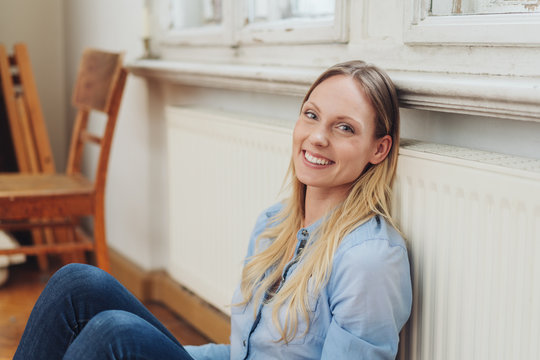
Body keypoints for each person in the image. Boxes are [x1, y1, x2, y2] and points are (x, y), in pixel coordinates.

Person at [14, 60, 412, 360]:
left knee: (112, 333)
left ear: (379, 149)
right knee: (75, 282)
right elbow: (242, 353)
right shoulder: (275, 225)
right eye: (311, 115)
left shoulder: (369, 260)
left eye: (345, 128)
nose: (318, 137)